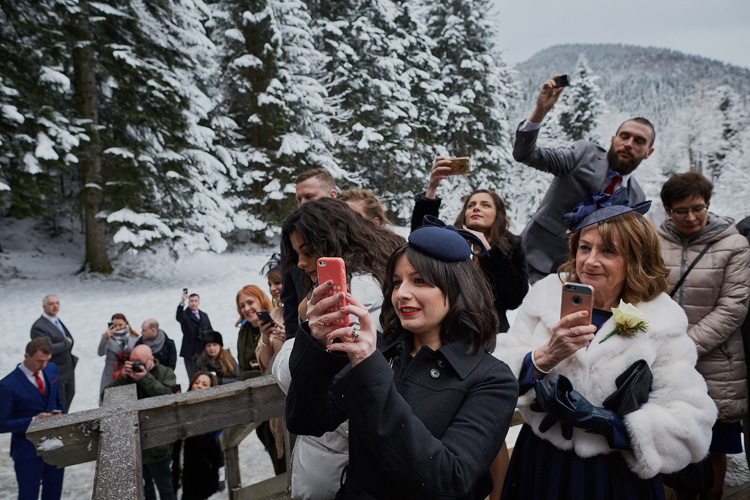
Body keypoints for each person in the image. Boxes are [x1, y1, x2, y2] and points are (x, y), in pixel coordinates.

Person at [495, 194, 717, 499]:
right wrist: (543, 358)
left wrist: (605, 423)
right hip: (541, 462)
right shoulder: (545, 297)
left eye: (608, 251)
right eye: (585, 247)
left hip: (614, 477)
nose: (590, 260)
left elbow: (691, 423)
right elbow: (497, 372)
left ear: (636, 259)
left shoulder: (661, 320)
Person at [285, 221, 519, 499]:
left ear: (457, 287)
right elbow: (307, 420)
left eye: (419, 280)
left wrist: (370, 369)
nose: (401, 293)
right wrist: (316, 346)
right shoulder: (382, 350)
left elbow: (448, 480)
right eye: (396, 282)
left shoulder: (492, 379)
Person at [272, 197, 403, 499]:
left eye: (308, 253)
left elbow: (298, 377)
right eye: (296, 254)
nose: (301, 264)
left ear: (334, 244)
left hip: (336, 462)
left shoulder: (351, 307)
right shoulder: (381, 287)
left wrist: (296, 340)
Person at [657, 172, 750, 500]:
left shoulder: (734, 243)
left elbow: (733, 308)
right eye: (681, 211)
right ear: (667, 210)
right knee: (671, 436)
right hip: (663, 359)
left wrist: (685, 346)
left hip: (716, 361)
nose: (691, 217)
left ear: (709, 204)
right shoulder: (655, 241)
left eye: (698, 208)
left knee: (714, 443)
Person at [515, 75, 654, 283]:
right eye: (624, 136)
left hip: (582, 278)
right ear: (613, 140)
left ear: (648, 152)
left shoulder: (636, 197)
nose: (629, 143)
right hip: (531, 261)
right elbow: (526, 154)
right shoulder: (584, 154)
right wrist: (539, 113)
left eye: (639, 141)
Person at [411, 158, 529, 332]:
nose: (476, 208)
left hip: (489, 332)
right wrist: (432, 187)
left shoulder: (512, 246)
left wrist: (490, 254)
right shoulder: (451, 239)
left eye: (485, 205)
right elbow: (421, 238)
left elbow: (514, 298)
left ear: (498, 215)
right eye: (471, 205)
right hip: (447, 328)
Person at [106, 344, 177, 500]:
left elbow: (167, 397)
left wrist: (145, 379)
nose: (134, 365)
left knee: (166, 489)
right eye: (131, 361)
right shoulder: (127, 375)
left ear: (151, 359)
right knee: (144, 491)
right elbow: (108, 398)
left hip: (159, 443)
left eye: (138, 362)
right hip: (134, 443)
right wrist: (122, 378)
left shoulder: (166, 373)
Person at [0, 338, 65, 500]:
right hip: (27, 451)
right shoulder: (7, 385)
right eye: (39, 361)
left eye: (47, 361)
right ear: (26, 356)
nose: (43, 365)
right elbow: (1, 424)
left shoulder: (51, 370)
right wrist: (33, 421)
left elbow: (58, 401)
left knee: (54, 495)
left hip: (56, 446)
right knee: (28, 496)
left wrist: (62, 417)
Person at [234, 285, 286, 475]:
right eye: (242, 306)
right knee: (276, 455)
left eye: (250, 302)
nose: (246, 308)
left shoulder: (279, 320)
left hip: (281, 400)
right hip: (260, 406)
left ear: (261, 301)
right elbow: (243, 372)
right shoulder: (244, 332)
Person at [282, 168, 338, 339]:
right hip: (308, 332)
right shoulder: (292, 234)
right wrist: (293, 341)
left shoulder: (350, 234)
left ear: (333, 195)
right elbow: (289, 297)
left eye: (309, 197)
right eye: (299, 199)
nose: (303, 204)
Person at [30, 294, 77, 412]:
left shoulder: (56, 320)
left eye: (57, 303)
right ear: (44, 306)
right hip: (55, 371)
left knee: (69, 397)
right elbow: (47, 349)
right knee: (59, 405)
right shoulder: (39, 326)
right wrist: (66, 343)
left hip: (68, 369)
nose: (55, 306)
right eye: (51, 304)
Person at [180, 371, 222, 500]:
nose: (199, 386)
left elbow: (209, 435)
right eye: (197, 382)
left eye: (204, 384)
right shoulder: (183, 403)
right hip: (188, 462)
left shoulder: (214, 408)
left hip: (207, 461)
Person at [98, 313, 140, 400]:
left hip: (128, 371)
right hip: (111, 373)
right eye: (115, 325)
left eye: (120, 325)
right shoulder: (107, 337)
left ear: (126, 323)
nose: (117, 328)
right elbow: (100, 353)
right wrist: (104, 339)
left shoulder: (134, 337)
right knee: (109, 398)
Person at [176, 291, 213, 378]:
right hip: (190, 351)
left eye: (196, 301)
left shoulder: (204, 315)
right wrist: (182, 302)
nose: (194, 303)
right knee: (193, 377)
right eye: (191, 301)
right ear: (188, 302)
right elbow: (179, 316)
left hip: (203, 350)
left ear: (199, 302)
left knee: (205, 376)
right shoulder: (185, 315)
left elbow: (210, 330)